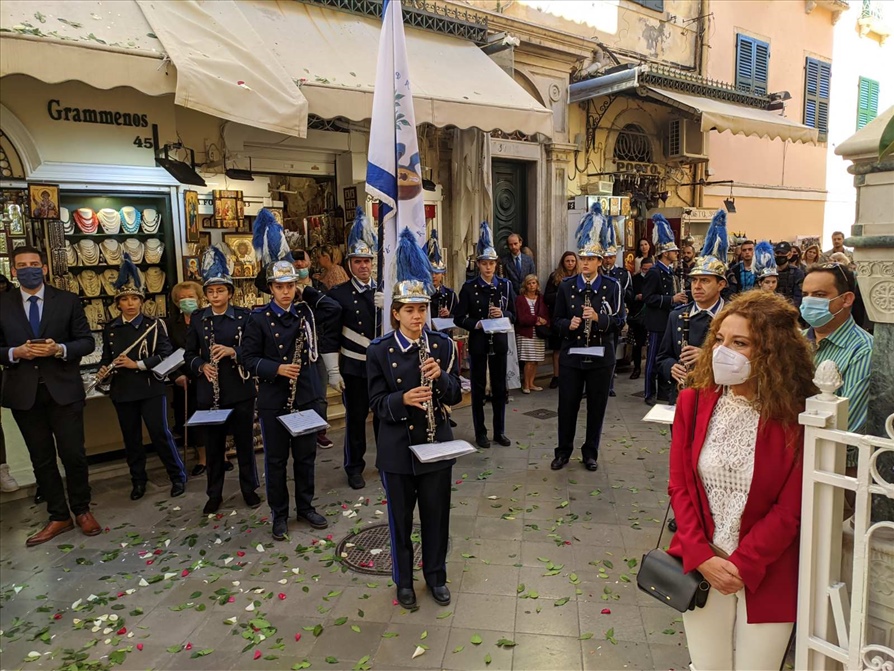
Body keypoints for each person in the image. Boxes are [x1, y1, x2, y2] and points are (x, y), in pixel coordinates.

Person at [668, 291, 816, 671]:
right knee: (707, 666)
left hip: (768, 568)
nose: (722, 351)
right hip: (702, 564)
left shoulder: (797, 417)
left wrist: (743, 563)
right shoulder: (694, 402)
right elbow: (680, 486)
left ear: (771, 352)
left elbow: (791, 508)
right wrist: (702, 556)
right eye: (719, 339)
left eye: (740, 343)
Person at [367, 228, 462, 609]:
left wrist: (442, 379)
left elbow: (457, 394)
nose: (417, 316)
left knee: (437, 517)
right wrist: (401, 399)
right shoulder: (380, 349)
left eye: (422, 309)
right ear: (396, 313)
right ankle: (403, 581)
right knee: (401, 521)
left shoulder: (442, 344)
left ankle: (436, 576)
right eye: (409, 310)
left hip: (436, 443)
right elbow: (375, 401)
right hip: (398, 449)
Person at [0, 246, 100, 546]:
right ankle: (58, 515)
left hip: (63, 390)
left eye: (34, 264)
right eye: (22, 265)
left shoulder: (67, 301)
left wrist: (60, 349)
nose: (28, 269)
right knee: (41, 458)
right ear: (13, 271)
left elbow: (85, 342)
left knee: (73, 454)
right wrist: (14, 352)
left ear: (44, 268)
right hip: (24, 393)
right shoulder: (2, 304)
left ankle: (82, 509)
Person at [243, 260, 328, 539]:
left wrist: (309, 290)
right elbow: (247, 358)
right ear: (270, 288)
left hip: (304, 396)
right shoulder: (258, 319)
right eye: (280, 287)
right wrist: (276, 368)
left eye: (290, 286)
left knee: (305, 457)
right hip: (274, 398)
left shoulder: (306, 314)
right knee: (276, 461)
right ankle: (279, 514)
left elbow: (334, 309)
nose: (286, 292)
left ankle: (305, 506)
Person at [101, 254, 186, 501]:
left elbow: (166, 355)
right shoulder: (111, 328)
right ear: (118, 303)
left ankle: (177, 476)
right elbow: (107, 356)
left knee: (160, 434)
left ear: (141, 301)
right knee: (132, 439)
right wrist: (104, 368)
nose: (130, 304)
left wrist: (137, 364)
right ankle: (138, 480)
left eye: (134, 299)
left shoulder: (154, 325)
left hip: (150, 388)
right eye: (125, 299)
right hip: (122, 390)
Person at [184, 245, 261, 515]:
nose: (215, 295)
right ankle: (214, 493)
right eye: (210, 291)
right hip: (210, 392)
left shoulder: (244, 316)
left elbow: (253, 351)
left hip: (239, 389)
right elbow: (188, 354)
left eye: (220, 290)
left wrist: (233, 352)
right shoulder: (198, 319)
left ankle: (249, 488)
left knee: (244, 444)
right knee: (214, 446)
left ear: (230, 292)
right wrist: (201, 366)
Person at [552, 208, 624, 472]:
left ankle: (590, 453)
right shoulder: (566, 286)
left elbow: (619, 321)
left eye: (590, 258)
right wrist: (567, 325)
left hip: (601, 357)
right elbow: (556, 320)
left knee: (596, 407)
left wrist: (598, 317)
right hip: (572, 355)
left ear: (599, 261)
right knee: (567, 406)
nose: (585, 263)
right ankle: (563, 452)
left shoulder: (612, 286)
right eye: (582, 257)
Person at [324, 207, 380, 489]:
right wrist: (334, 372)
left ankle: (386, 461)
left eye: (367, 261)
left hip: (381, 366)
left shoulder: (383, 290)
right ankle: (354, 467)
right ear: (349, 265)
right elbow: (331, 336)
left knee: (385, 417)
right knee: (356, 420)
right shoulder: (338, 294)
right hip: (355, 367)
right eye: (358, 262)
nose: (364, 266)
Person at [657, 210, 729, 406]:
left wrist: (707, 357)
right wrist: (672, 367)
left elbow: (748, 361)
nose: (696, 286)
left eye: (705, 281)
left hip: (720, 399)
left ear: (721, 284)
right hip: (683, 397)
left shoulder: (733, 318)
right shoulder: (678, 315)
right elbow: (662, 357)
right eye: (694, 280)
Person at [454, 222, 516, 449]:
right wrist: (477, 323)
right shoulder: (469, 287)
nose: (488, 267)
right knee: (478, 389)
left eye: (492, 263)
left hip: (498, 342)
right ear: (478, 264)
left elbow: (514, 315)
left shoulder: (506, 286)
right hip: (479, 342)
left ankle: (499, 431)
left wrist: (504, 313)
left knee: (500, 389)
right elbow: (458, 318)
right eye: (484, 264)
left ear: (495, 264)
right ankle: (480, 432)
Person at [801, 263, 872, 449]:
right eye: (805, 295)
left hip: (836, 464)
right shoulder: (795, 340)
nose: (808, 302)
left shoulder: (864, 350)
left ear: (846, 299)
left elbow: (846, 423)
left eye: (819, 295)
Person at [642, 214, 687, 405]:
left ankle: (662, 390)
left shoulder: (670, 271)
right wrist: (671, 299)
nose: (677, 253)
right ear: (665, 252)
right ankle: (649, 392)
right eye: (673, 251)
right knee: (652, 359)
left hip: (669, 320)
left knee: (665, 357)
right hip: (657, 322)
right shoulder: (654, 272)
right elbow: (648, 298)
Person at [167, 281, 208, 476]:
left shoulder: (207, 319)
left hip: (208, 376)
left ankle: (222, 455)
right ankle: (202, 458)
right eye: (182, 298)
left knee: (214, 417)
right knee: (193, 419)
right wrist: (176, 376)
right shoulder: (171, 325)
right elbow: (166, 353)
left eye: (190, 297)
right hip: (186, 380)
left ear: (199, 299)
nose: (186, 301)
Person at [601, 224, 632, 397]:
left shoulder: (622, 274)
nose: (608, 260)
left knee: (611, 353)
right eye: (605, 257)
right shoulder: (597, 271)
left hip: (614, 317)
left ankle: (610, 384)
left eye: (611, 257)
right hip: (599, 317)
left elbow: (629, 294)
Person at [544, 251, 578, 389]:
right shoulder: (555, 277)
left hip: (575, 318)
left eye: (572, 261)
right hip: (559, 317)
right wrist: (562, 294)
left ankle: (573, 375)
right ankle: (556, 376)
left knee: (575, 347)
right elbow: (547, 297)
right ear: (562, 263)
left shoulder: (580, 277)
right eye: (567, 261)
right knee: (557, 349)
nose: (570, 263)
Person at [514, 274, 549, 394]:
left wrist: (544, 321)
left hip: (538, 333)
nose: (531, 285)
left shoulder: (541, 298)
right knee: (528, 360)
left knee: (536, 360)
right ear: (525, 285)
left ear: (537, 284)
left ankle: (532, 383)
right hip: (525, 333)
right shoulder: (520, 299)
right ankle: (526, 384)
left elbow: (546, 314)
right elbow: (521, 318)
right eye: (529, 283)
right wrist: (536, 320)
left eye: (534, 283)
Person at [627, 257, 653, 380]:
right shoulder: (635, 279)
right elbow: (628, 296)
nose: (647, 271)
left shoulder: (655, 278)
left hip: (652, 314)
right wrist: (636, 297)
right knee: (637, 344)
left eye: (649, 269)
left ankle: (651, 369)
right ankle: (636, 368)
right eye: (645, 269)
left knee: (651, 344)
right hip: (638, 315)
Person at [427, 230, 457, 320]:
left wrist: (449, 315)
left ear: (442, 274)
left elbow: (458, 318)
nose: (433, 276)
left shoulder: (450, 295)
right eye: (430, 273)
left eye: (436, 273)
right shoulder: (421, 293)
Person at [499, 232, 536, 297]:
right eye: (510, 245)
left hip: (527, 296)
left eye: (515, 244)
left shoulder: (528, 260)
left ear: (520, 243)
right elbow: (504, 281)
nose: (513, 247)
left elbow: (532, 278)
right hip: (511, 297)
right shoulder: (504, 261)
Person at [773, 241, 804, 307]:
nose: (779, 256)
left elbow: (799, 297)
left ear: (789, 255)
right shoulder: (770, 272)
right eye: (777, 253)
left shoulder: (797, 273)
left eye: (782, 253)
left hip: (790, 309)